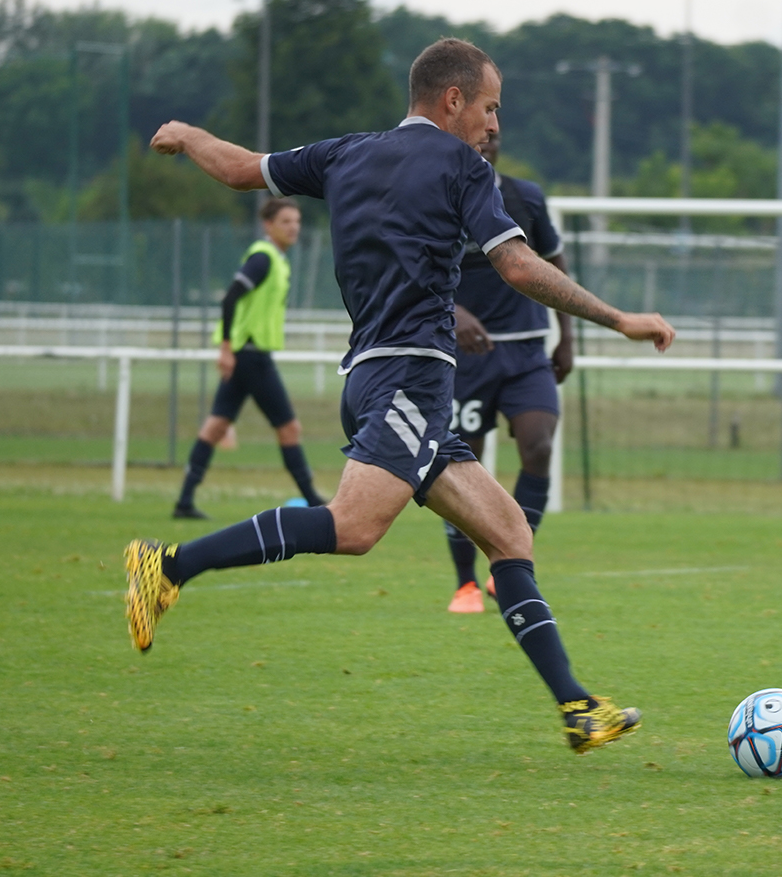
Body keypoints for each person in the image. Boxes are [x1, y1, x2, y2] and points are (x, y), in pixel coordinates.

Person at [125, 38, 675, 755]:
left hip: (378, 379)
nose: (492, 124)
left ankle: (578, 708)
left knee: (509, 534)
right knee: (353, 527)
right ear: (452, 100)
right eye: (488, 106)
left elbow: (240, 170)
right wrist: (619, 319)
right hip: (408, 378)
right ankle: (166, 565)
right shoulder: (462, 166)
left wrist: (191, 134)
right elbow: (516, 264)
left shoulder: (346, 153)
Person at [444, 130, 573, 614]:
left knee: (538, 444)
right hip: (467, 358)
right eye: (475, 140)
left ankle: (512, 563)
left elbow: (554, 263)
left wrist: (568, 336)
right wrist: (453, 311)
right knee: (461, 471)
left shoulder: (525, 197)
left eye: (492, 139)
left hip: (526, 353)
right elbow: (413, 268)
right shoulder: (435, 201)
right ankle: (465, 584)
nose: (485, 145)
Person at [173, 198, 326, 519]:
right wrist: (226, 348)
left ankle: (184, 502)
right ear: (268, 225)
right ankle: (313, 500)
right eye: (285, 221)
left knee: (215, 427)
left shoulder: (277, 259)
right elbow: (229, 298)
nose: (293, 227)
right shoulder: (263, 258)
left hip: (249, 355)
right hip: (251, 357)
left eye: (296, 221)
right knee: (289, 429)